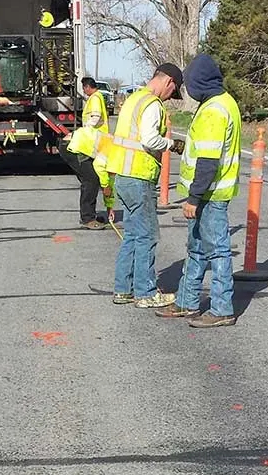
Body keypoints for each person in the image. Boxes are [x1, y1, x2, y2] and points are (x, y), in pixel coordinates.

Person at [156, 54, 241, 327]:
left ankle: (221, 309)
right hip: (208, 193)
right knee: (196, 250)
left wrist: (193, 198)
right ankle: (186, 302)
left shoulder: (214, 110)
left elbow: (207, 160)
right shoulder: (222, 103)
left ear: (199, 82)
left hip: (210, 195)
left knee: (216, 252)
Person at [107, 63, 186, 308]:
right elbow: (149, 138)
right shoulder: (152, 105)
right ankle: (145, 292)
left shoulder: (133, 100)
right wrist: (172, 144)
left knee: (131, 235)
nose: (170, 96)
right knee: (147, 236)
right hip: (139, 177)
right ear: (169, 82)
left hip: (123, 175)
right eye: (173, 92)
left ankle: (123, 289)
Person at [66, 76, 109, 230]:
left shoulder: (95, 98)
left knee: (91, 179)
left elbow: (96, 117)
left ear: (87, 87)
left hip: (89, 144)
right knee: (91, 180)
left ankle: (88, 215)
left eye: (84, 88)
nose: (83, 91)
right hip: (81, 146)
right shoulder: (96, 98)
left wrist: (86, 129)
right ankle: (87, 218)